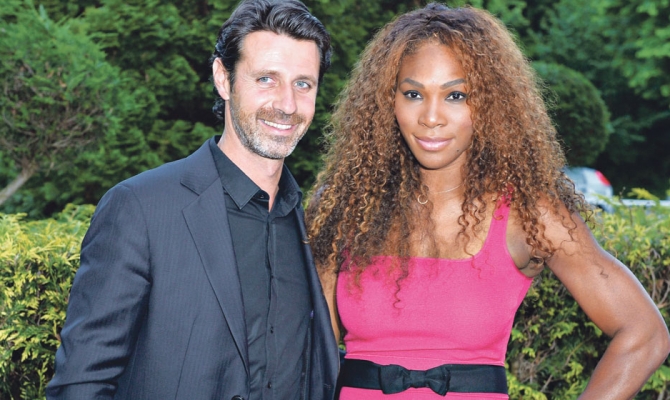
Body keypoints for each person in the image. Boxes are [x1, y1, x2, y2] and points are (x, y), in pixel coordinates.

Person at [306, 3, 670, 399]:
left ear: (489, 104)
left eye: (456, 95)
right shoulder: (346, 208)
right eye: (413, 94)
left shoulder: (528, 213)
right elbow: (307, 356)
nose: (431, 116)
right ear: (387, 101)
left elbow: (644, 334)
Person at [46, 0, 338, 399]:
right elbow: (81, 384)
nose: (287, 104)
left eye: (303, 84)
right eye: (266, 79)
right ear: (223, 78)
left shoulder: (310, 225)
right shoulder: (140, 208)